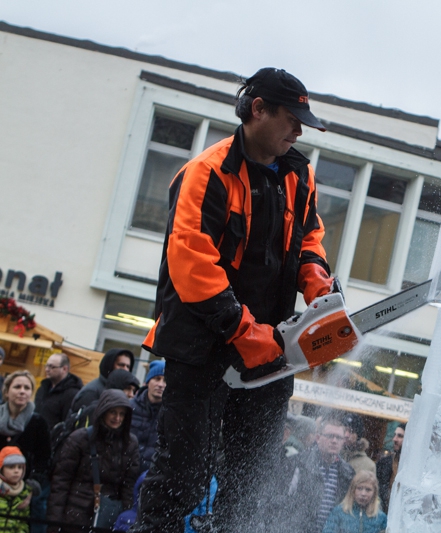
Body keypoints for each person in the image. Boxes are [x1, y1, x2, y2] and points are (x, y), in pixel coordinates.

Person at [131, 67, 332, 533]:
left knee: (251, 477)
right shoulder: (206, 173)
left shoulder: (299, 175)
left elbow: (309, 239)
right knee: (184, 471)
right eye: (292, 118)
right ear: (257, 109)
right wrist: (243, 330)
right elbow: (193, 263)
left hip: (269, 347)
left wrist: (318, 286)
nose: (299, 130)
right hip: (202, 345)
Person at [47, 389, 139, 529]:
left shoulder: (130, 444)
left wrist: (125, 520)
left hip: (108, 514)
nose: (117, 418)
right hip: (74, 513)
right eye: (113, 412)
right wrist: (54, 522)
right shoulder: (79, 439)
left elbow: (128, 486)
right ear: (103, 411)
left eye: (122, 414)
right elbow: (61, 482)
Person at [0, 372, 50, 533]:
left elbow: (44, 461)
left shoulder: (38, 423)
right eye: (17, 387)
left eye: (27, 388)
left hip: (22, 495)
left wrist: (29, 492)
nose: (22, 391)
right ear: (6, 391)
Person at [287, 416, 355, 533]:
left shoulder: (348, 472)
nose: (334, 441)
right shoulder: (298, 462)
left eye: (338, 437)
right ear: (318, 438)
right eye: (329, 436)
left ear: (343, 441)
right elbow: (282, 501)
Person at [322, 471, 386, 533]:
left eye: (368, 490)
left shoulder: (380, 518)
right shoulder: (339, 512)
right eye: (359, 488)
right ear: (352, 490)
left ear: (374, 493)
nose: (363, 494)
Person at [129, 361, 165, 473]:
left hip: (151, 476)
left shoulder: (171, 415)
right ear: (148, 381)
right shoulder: (129, 407)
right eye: (157, 378)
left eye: (165, 380)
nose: (161, 384)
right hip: (125, 472)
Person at [34, 353, 83, 432]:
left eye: (52, 367)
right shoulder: (43, 388)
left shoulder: (72, 394)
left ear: (64, 369)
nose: (47, 369)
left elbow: (66, 424)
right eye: (46, 366)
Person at [0, 446, 41, 533]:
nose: (16, 471)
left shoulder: (25, 492)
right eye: (11, 467)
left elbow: (23, 522)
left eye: (20, 467)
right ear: (1, 469)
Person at [376, 423, 404, 513]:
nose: (394, 439)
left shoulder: (416, 468)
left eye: (400, 436)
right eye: (394, 435)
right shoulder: (383, 463)